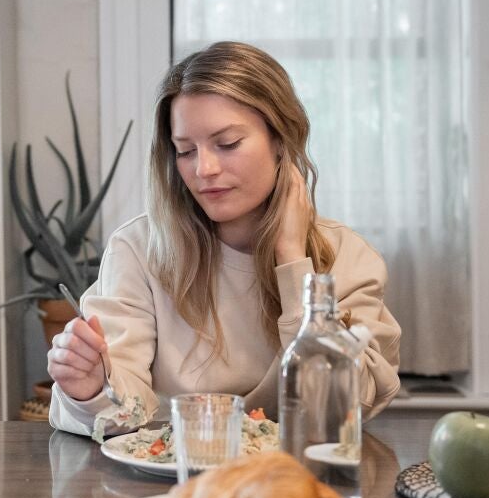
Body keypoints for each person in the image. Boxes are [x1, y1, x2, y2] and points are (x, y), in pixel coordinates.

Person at [47, 41, 401, 437]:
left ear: (281, 141)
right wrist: (91, 389)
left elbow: (342, 408)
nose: (204, 169)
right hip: (172, 468)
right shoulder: (139, 250)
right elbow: (123, 412)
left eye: (227, 144)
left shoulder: (346, 255)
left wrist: (291, 260)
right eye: (185, 151)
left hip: (296, 470)